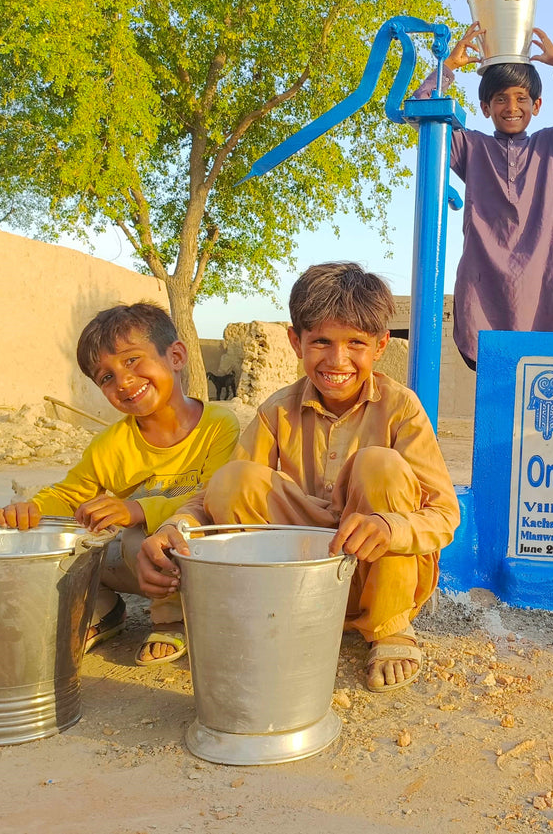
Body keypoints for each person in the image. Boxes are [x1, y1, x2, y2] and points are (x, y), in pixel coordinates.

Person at [137, 262, 460, 692]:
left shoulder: (402, 409)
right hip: (298, 578)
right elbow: (214, 497)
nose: (337, 360)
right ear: (295, 341)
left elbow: (443, 514)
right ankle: (280, 609)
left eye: (355, 344)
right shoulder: (277, 410)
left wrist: (388, 526)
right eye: (321, 341)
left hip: (374, 575)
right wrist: (174, 527)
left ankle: (389, 625)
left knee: (378, 465)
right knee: (235, 478)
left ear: (381, 345)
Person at [0, 303, 239, 665]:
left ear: (176, 355)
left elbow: (211, 499)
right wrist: (32, 509)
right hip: (139, 565)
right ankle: (105, 610)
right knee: (81, 545)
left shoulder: (218, 424)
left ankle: (174, 619)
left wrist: (136, 509)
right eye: (106, 377)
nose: (122, 381)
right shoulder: (110, 444)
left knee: (138, 534)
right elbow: (68, 494)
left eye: (131, 361)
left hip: (198, 557)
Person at [413, 22, 553, 369]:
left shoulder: (549, 146)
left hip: (541, 283)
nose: (511, 106)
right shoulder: (470, 147)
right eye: (500, 98)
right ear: (485, 107)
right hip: (483, 285)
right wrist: (448, 68)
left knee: (542, 391)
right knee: (494, 393)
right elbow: (420, 111)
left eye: (521, 98)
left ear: (536, 105)